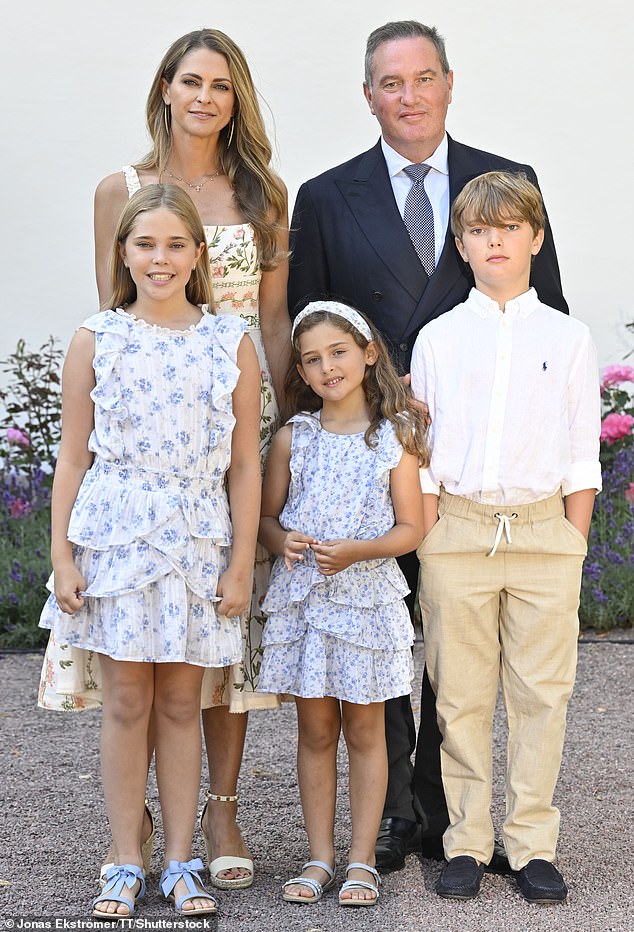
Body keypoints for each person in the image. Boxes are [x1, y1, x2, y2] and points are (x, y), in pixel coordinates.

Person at [287, 19, 568, 872]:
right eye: (389, 83)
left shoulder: (505, 182)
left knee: (462, 639)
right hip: (375, 455)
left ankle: (457, 812)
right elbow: (311, 330)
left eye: (422, 79)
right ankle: (403, 814)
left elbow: (545, 320)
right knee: (381, 629)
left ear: (449, 83)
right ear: (368, 95)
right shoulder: (327, 196)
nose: (407, 96)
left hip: (474, 466)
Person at [39, 27, 290, 890]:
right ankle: (130, 832)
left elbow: (276, 317)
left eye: (223, 84)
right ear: (166, 87)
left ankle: (215, 812)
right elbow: (108, 303)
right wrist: (64, 545)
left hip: (230, 413)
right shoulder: (125, 190)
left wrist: (280, 428)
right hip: (145, 424)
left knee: (210, 650)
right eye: (191, 80)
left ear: (236, 97)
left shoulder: (261, 193)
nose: (206, 97)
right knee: (135, 681)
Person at [411, 170, 601, 903]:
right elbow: (420, 450)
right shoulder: (438, 338)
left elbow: (581, 447)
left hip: (543, 532)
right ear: (461, 246)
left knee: (541, 694)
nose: (495, 241)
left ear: (536, 238)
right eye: (479, 231)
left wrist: (573, 541)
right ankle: (465, 839)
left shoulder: (568, 337)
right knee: (458, 695)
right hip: (457, 532)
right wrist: (429, 534)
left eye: (510, 228)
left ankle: (530, 844)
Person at [257, 301, 427, 907]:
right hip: (308, 606)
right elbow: (266, 520)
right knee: (315, 730)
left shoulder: (393, 439)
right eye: (311, 359)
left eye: (338, 351)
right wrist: (283, 541)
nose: (327, 366)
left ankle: (362, 860)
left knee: (367, 728)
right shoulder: (291, 440)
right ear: (301, 373)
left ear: (368, 354)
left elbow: (412, 528)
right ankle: (319, 857)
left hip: (367, 604)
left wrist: (359, 551)